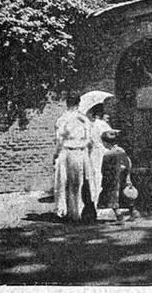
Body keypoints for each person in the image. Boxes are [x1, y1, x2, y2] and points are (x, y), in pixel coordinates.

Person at [54, 95, 97, 223]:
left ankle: (70, 212)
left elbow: (59, 140)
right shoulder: (84, 119)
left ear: (67, 103)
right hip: (81, 152)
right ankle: (80, 211)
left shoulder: (62, 119)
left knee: (66, 182)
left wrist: (56, 154)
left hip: (67, 152)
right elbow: (90, 140)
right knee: (83, 181)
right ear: (78, 103)